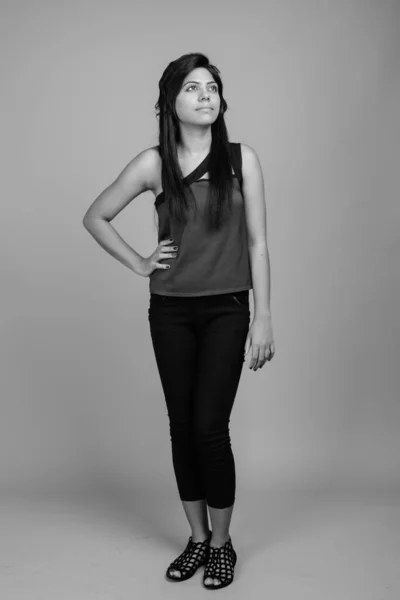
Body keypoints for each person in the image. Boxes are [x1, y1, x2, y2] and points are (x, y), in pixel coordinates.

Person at [82, 52, 275, 590]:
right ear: (170, 101)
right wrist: (142, 263)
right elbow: (95, 216)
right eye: (192, 88)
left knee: (211, 429)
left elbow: (258, 243)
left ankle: (221, 544)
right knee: (182, 428)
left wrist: (264, 317)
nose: (206, 95)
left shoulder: (243, 160)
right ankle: (195, 539)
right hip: (170, 311)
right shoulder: (153, 164)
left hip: (228, 309)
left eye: (212, 86)